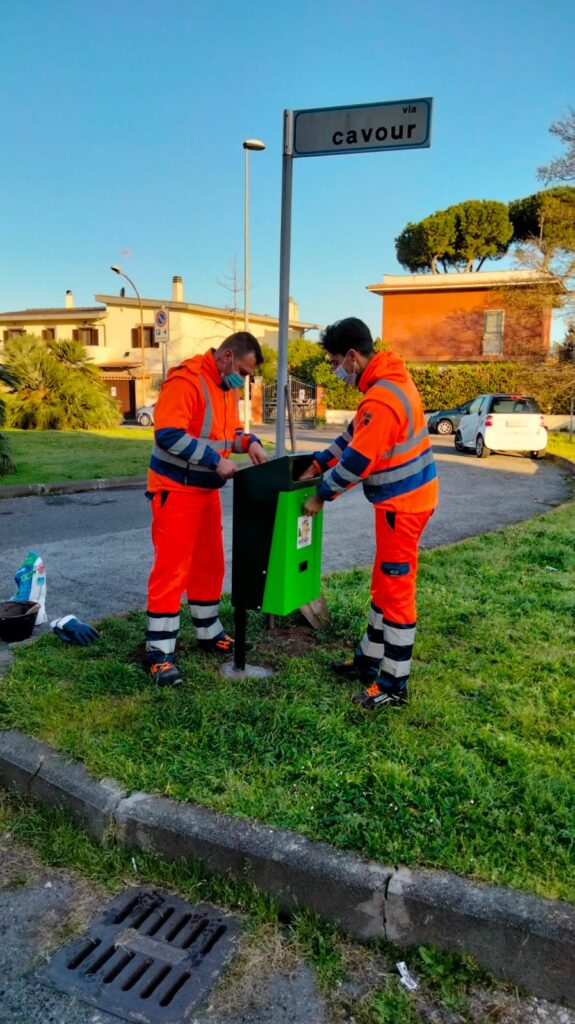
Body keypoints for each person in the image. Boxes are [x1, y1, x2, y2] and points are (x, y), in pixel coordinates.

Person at [301, 318, 438, 710]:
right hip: (403, 503)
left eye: (334, 362)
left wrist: (322, 494)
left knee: (395, 594)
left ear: (352, 356)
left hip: (403, 507)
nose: (334, 370)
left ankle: (393, 685)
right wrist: (317, 462)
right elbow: (351, 437)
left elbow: (359, 460)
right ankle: (368, 661)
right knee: (382, 585)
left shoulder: (382, 398)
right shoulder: (385, 381)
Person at [145, 332, 267, 686]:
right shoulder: (187, 380)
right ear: (227, 356)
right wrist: (215, 460)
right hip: (175, 490)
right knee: (172, 569)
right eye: (243, 372)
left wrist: (251, 443)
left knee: (209, 563)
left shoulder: (226, 389)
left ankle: (208, 631)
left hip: (204, 491)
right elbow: (167, 434)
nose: (243, 380)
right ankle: (159, 653)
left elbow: (231, 434)